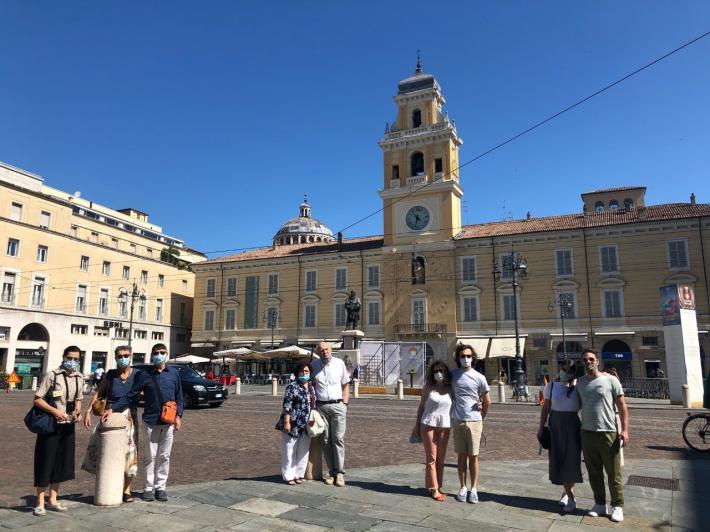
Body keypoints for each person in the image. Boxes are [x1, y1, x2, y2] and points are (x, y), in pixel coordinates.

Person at [103, 343, 184, 502]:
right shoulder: (145, 375)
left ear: (167, 354)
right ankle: (148, 488)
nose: (159, 355)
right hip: (150, 420)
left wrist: (179, 416)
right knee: (150, 457)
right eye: (156, 353)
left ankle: (160, 487)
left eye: (162, 352)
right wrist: (113, 408)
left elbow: (179, 397)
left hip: (168, 421)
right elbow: (131, 395)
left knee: (165, 456)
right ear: (152, 355)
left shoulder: (174, 374)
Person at [576, 349, 629, 523]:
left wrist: (625, 430)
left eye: (591, 359)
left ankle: (617, 505)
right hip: (587, 432)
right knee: (594, 472)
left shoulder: (611, 380)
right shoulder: (580, 383)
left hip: (608, 432)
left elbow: (622, 406)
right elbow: (575, 403)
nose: (588, 362)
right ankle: (599, 504)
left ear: (597, 361)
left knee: (613, 473)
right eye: (585, 360)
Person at [84, 346, 141, 502]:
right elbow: (99, 393)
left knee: (130, 452)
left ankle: (126, 490)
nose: (123, 358)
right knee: (105, 451)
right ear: (115, 358)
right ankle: (109, 485)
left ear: (131, 356)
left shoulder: (137, 375)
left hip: (130, 417)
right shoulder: (110, 375)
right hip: (109, 415)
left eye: (126, 355)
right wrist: (88, 410)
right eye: (120, 356)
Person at [32, 345, 84, 516]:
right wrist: (55, 411)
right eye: (70, 358)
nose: (72, 361)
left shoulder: (79, 377)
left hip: (68, 425)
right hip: (51, 425)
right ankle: (40, 501)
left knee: (62, 462)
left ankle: (53, 499)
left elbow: (78, 399)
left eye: (76, 359)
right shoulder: (53, 375)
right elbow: (37, 399)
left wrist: (78, 412)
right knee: (45, 460)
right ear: (64, 357)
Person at [537, 360, 582, 513]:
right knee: (560, 460)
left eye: (569, 370)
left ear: (573, 371)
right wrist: (541, 428)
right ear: (559, 368)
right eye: (564, 368)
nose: (565, 372)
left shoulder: (578, 385)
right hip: (556, 425)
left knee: (572, 461)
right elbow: (546, 408)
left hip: (573, 425)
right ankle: (570, 496)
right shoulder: (551, 385)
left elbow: (584, 405)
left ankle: (568, 492)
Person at [450, 344, 490, 504]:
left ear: (473, 358)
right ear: (458, 358)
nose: (465, 359)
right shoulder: (453, 375)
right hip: (458, 420)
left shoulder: (479, 377)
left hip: (474, 420)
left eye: (468, 356)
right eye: (462, 356)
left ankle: (473, 489)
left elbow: (487, 400)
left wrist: (482, 414)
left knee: (473, 456)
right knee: (461, 456)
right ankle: (462, 487)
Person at [413, 360, 452, 501]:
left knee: (441, 459)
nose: (438, 373)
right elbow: (421, 406)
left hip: (445, 425)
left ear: (446, 372)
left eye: (441, 370)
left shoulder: (451, 388)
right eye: (436, 371)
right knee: (431, 458)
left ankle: (437, 486)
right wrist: (417, 425)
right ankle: (434, 489)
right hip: (428, 423)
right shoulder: (428, 387)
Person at [311, 341, 350, 486]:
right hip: (321, 407)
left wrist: (344, 403)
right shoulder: (314, 365)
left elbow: (345, 385)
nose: (325, 352)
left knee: (338, 438)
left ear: (331, 349)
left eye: (327, 349)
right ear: (318, 352)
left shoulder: (339, 363)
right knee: (326, 440)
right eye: (321, 350)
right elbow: (310, 385)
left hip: (338, 405)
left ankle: (339, 473)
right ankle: (331, 472)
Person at [275, 362, 315, 484]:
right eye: (302, 371)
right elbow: (287, 405)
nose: (304, 373)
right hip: (293, 422)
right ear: (297, 373)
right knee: (289, 451)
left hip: (306, 424)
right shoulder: (292, 386)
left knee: (303, 451)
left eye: (306, 371)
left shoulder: (311, 387)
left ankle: (299, 474)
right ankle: (289, 475)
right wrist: (287, 422)